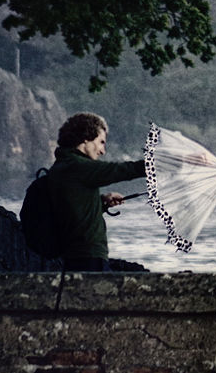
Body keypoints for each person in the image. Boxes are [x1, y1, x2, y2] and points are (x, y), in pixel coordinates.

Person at [48, 112, 146, 272]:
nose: (102, 151)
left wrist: (100, 203)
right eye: (101, 142)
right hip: (88, 257)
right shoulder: (78, 166)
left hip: (74, 256)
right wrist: (175, 162)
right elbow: (125, 170)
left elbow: (72, 209)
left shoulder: (63, 165)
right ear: (85, 138)